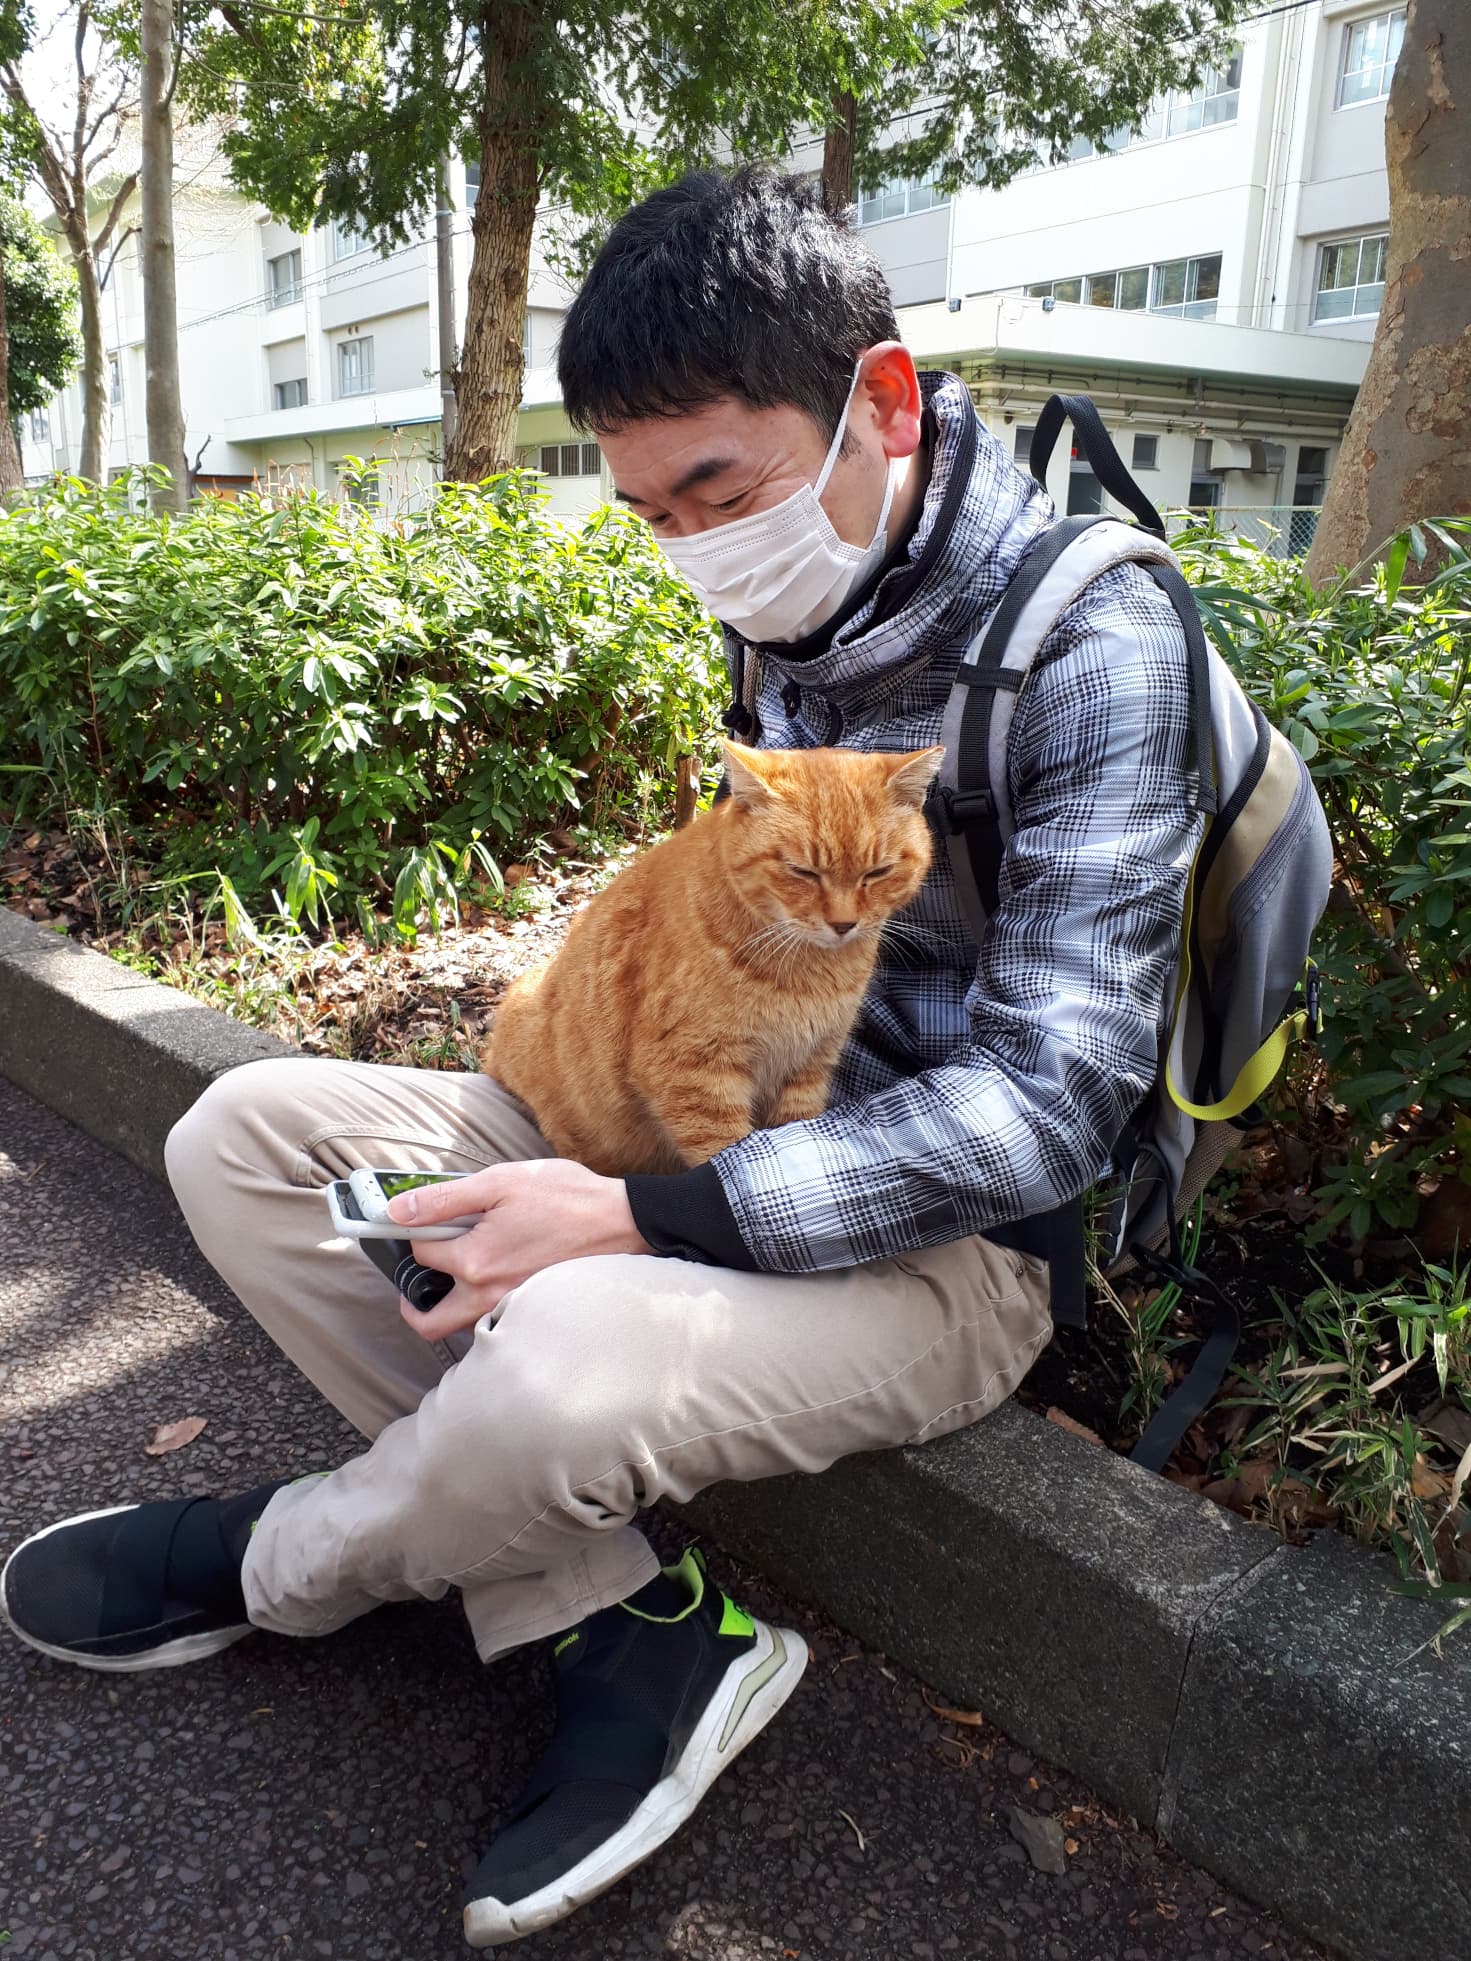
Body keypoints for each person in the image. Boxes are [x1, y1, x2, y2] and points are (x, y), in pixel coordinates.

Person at [0, 166, 1199, 1948]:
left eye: (715, 487)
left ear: (882, 397)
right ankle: (632, 1621)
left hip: (946, 1247)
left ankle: (286, 1558)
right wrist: (638, 1147)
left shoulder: (1093, 646)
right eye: (647, 512)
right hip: (687, 1118)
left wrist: (646, 1214)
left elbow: (1041, 1114)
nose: (693, 543)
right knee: (243, 1137)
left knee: (556, 1358)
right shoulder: (799, 588)